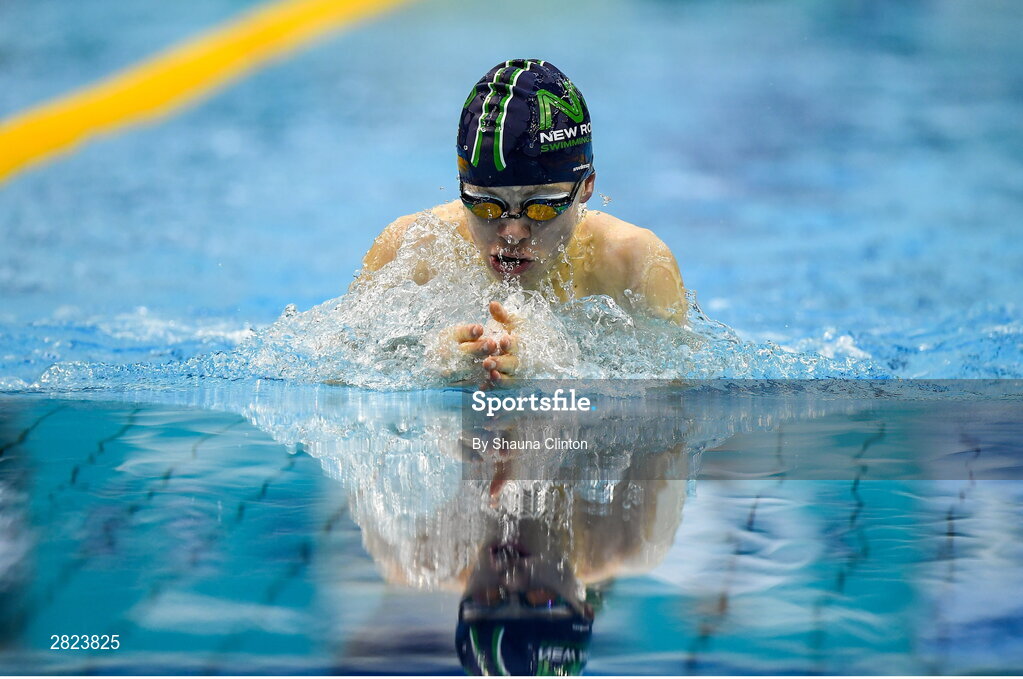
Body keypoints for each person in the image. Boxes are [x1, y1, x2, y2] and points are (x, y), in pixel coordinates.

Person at [357, 59, 687, 382]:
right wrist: (426, 365)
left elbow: (678, 411)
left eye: (541, 206)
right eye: (486, 205)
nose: (513, 233)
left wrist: (552, 371)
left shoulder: (635, 265)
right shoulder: (407, 249)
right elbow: (341, 375)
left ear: (586, 187)